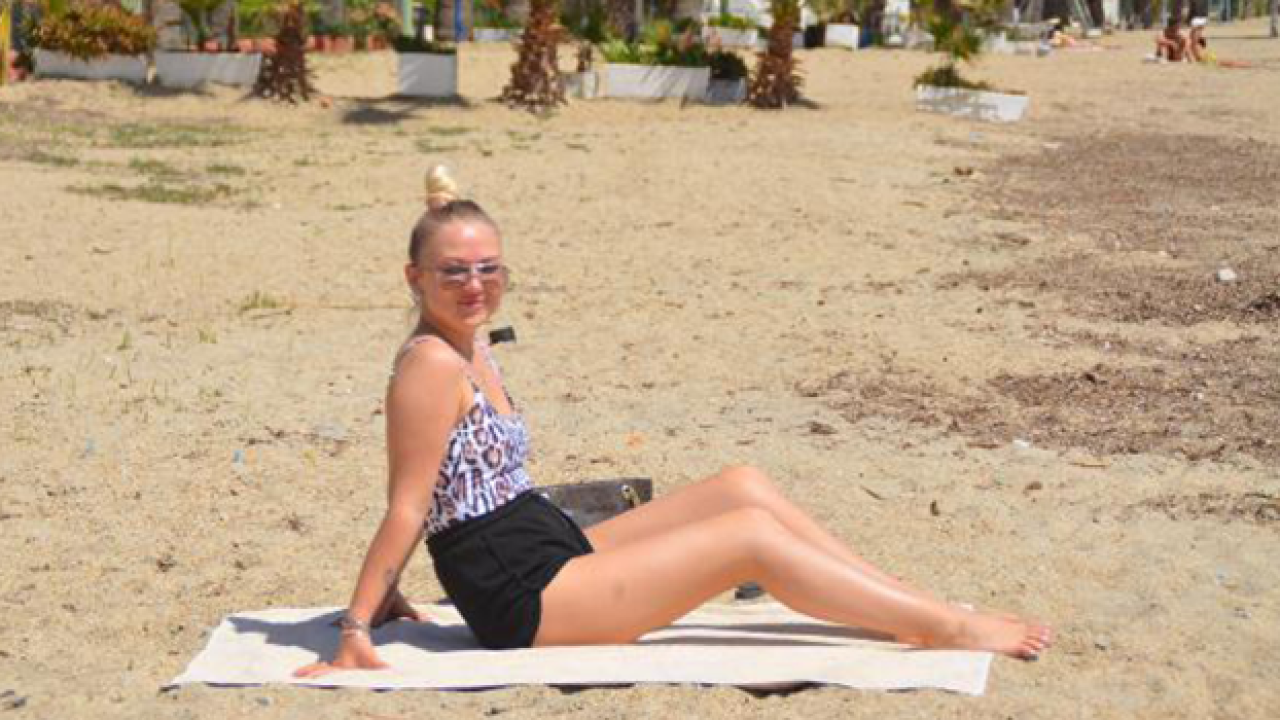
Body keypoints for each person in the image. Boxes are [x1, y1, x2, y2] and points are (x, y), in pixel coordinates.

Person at [294, 166, 1053, 678]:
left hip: (542, 541)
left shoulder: (472, 342)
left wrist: (390, 594)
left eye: (488, 268)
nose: (475, 284)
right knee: (748, 539)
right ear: (415, 278)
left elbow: (451, 485)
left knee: (743, 485)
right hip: (517, 595)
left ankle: (904, 601)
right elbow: (408, 504)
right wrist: (356, 625)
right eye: (454, 271)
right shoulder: (430, 365)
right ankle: (942, 628)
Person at [1188, 17, 1252, 68]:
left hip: (1207, 57)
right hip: (1206, 59)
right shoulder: (1194, 36)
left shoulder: (1196, 36)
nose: (1203, 27)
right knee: (1229, 63)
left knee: (1230, 62)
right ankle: (1247, 65)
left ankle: (1247, 65)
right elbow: (1195, 50)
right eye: (1201, 26)